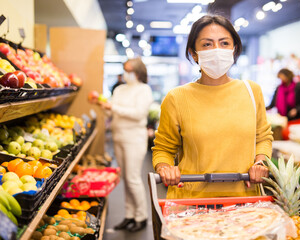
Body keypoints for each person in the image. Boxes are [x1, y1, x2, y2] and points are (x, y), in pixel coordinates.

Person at [152, 15, 273, 199]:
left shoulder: (251, 91)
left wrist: (261, 164)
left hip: (245, 202)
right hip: (192, 204)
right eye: (207, 44)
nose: (217, 50)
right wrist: (165, 168)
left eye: (224, 43)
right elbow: (163, 148)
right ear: (194, 53)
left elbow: (263, 137)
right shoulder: (177, 98)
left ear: (234, 49)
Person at [94, 57, 153, 232]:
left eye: (130, 71)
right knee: (126, 178)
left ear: (139, 72)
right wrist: (104, 107)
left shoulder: (144, 90)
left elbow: (138, 114)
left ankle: (141, 217)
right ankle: (129, 215)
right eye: (125, 70)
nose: (127, 74)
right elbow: (114, 111)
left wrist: (113, 108)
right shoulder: (119, 89)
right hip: (118, 137)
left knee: (133, 178)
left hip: (134, 138)